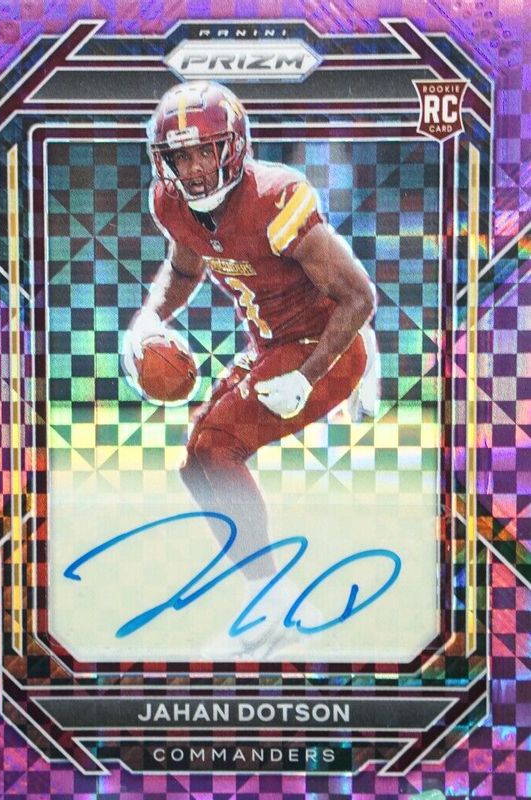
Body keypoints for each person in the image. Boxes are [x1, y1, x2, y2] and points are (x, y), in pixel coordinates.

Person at [122, 80, 378, 658]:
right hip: (271, 345)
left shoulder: (274, 198)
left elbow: (359, 297)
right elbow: (183, 271)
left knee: (217, 448)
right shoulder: (173, 204)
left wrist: (308, 376)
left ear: (233, 146)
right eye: (179, 156)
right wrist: (147, 320)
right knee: (196, 464)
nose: (193, 168)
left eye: (204, 150)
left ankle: (274, 604)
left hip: (322, 347)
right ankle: (267, 596)